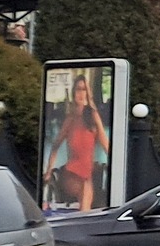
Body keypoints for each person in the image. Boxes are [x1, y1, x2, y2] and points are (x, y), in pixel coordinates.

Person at [43, 72, 111, 211]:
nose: (81, 93)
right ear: (74, 92)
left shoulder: (92, 116)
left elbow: (105, 143)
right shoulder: (71, 118)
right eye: (78, 89)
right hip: (72, 173)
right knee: (85, 187)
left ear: (88, 93)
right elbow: (55, 146)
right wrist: (48, 171)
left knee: (87, 192)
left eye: (84, 89)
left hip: (87, 174)